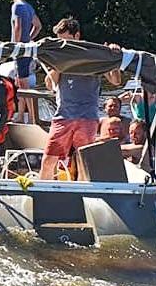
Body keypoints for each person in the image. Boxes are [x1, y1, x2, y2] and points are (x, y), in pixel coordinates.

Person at [38, 17, 122, 180]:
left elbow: (116, 81)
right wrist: (60, 65)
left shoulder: (93, 56)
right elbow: (49, 84)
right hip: (63, 116)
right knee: (49, 158)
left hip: (87, 117)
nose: (63, 45)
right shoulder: (59, 56)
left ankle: (84, 192)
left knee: (84, 160)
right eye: (60, 41)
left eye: (66, 41)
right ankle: (42, 191)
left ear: (77, 36)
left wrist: (113, 59)